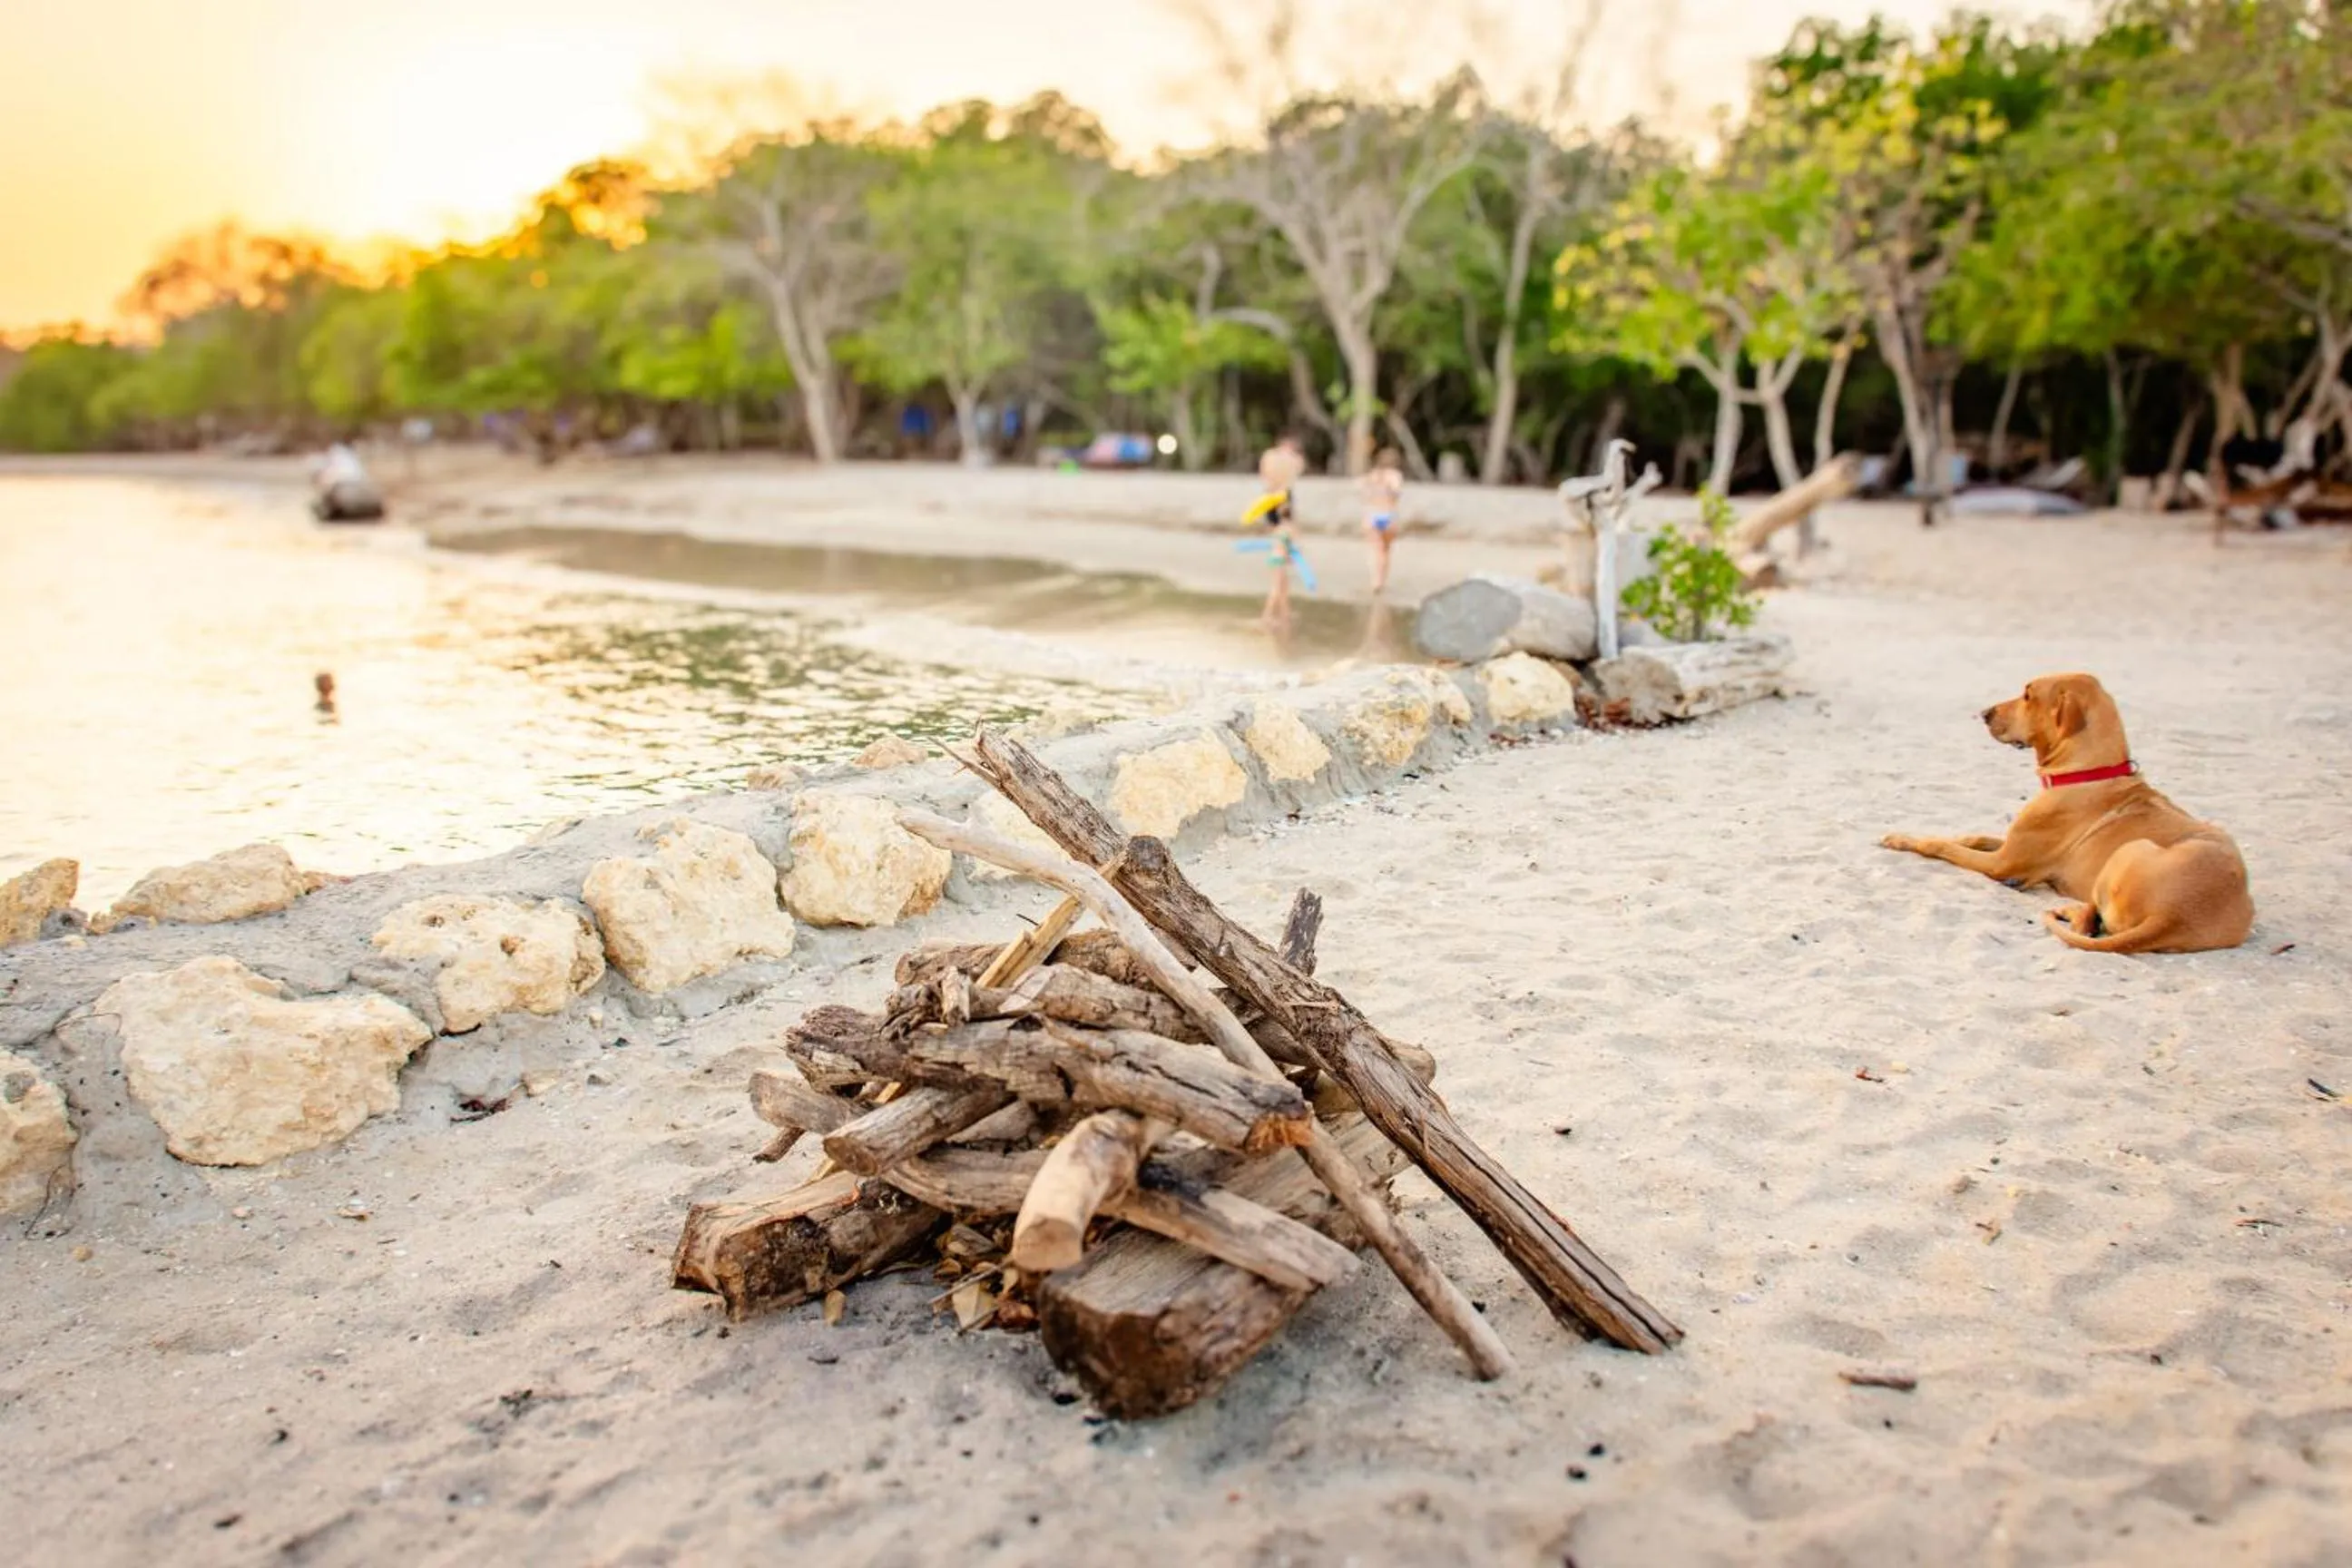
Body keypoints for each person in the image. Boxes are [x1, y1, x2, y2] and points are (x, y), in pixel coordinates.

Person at [1245, 434, 1309, 624]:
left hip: (1269, 495)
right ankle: (1271, 615)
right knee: (1284, 532)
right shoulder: (1293, 460)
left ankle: (1284, 611)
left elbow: (1264, 475)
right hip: (1282, 495)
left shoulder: (1269, 456)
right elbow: (1297, 472)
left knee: (1277, 534)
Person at [1362, 446, 1405, 594]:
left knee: (1375, 549)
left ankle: (1375, 580)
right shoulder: (1395, 476)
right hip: (1389, 515)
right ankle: (1381, 581)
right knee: (1386, 551)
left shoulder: (1373, 475)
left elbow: (1364, 493)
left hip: (1373, 514)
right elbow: (1396, 493)